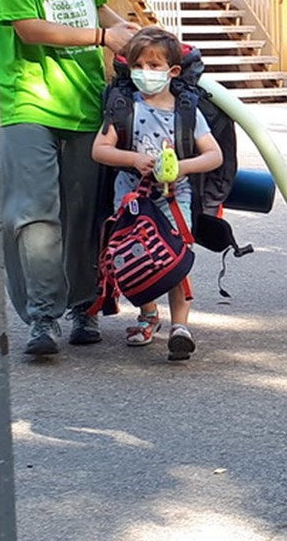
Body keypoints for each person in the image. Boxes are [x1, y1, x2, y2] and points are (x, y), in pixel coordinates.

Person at [0, 0, 140, 356]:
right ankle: (41, 318)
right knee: (33, 213)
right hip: (28, 98)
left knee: (82, 213)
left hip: (84, 98)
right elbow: (28, 28)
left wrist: (137, 36)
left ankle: (83, 308)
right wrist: (102, 37)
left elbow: (98, 7)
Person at [91, 27, 223, 360]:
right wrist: (132, 159)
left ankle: (181, 327)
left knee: (175, 259)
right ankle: (148, 313)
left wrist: (184, 166)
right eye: (138, 66)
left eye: (153, 66)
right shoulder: (122, 107)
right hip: (132, 201)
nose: (145, 73)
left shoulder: (187, 111)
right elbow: (100, 150)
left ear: (173, 71)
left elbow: (214, 154)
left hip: (174, 199)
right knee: (138, 258)